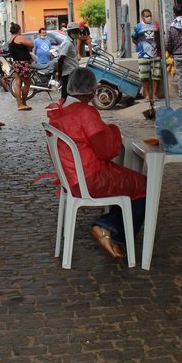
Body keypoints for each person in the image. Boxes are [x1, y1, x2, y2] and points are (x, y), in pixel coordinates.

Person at [46, 67, 147, 260]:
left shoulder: (59, 111)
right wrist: (114, 130)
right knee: (145, 185)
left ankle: (110, 227)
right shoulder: (86, 112)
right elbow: (107, 151)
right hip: (91, 178)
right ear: (92, 91)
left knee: (130, 184)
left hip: (71, 179)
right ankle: (110, 229)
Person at [132, 8, 161, 102]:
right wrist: (141, 47)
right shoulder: (138, 27)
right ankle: (148, 95)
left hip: (155, 55)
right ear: (142, 17)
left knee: (156, 76)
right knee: (144, 77)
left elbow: (160, 37)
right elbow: (134, 39)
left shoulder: (155, 25)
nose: (149, 17)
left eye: (150, 15)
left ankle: (155, 95)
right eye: (147, 16)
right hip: (143, 56)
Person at [7, 22, 35, 111]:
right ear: (19, 30)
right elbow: (31, 44)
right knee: (27, 83)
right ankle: (23, 103)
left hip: (16, 63)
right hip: (23, 63)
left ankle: (19, 104)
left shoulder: (11, 39)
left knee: (18, 83)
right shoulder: (19, 38)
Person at [56, 22, 81, 103]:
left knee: (69, 92)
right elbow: (60, 59)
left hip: (73, 71)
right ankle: (62, 110)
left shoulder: (72, 41)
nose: (78, 33)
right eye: (76, 32)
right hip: (68, 72)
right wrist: (59, 73)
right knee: (66, 93)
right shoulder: (67, 43)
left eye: (78, 31)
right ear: (70, 32)